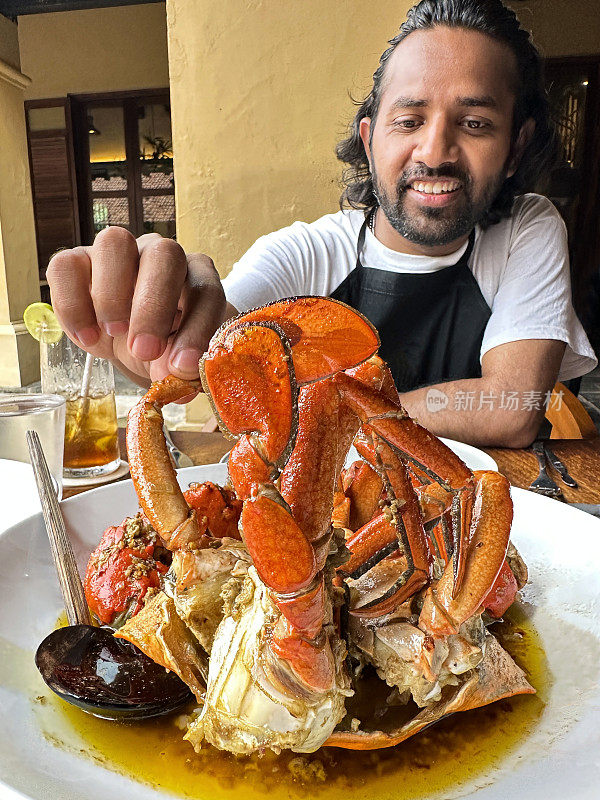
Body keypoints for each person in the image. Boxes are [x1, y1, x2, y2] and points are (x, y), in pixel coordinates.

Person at [46, 0, 596, 448]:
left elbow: (515, 406)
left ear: (516, 146)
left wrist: (317, 418)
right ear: (368, 139)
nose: (435, 151)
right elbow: (213, 353)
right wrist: (162, 336)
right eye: (408, 120)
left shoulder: (529, 228)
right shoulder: (303, 254)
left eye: (475, 123)